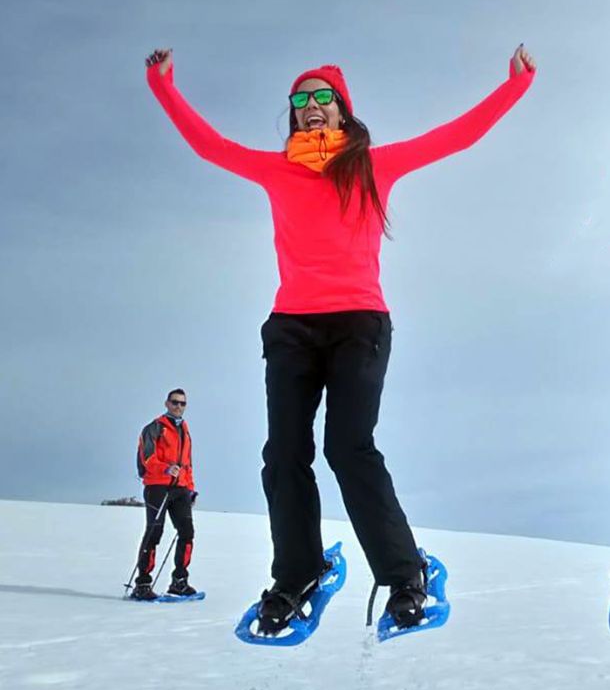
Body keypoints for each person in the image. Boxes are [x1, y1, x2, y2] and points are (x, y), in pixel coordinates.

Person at [145, 44, 536, 632]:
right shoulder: (277, 168)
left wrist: (517, 84)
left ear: (343, 110)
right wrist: (164, 85)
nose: (309, 107)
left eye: (321, 97)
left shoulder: (372, 165)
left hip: (359, 322)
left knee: (348, 448)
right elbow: (210, 146)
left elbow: (457, 136)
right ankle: (298, 575)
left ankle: (408, 576)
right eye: (300, 100)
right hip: (291, 327)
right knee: (282, 455)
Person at [132, 388, 198, 600]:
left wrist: (190, 488)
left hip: (180, 489)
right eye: (175, 402)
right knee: (154, 532)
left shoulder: (185, 431)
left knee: (187, 532)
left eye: (182, 403)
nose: (179, 406)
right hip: (157, 487)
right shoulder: (154, 428)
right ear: (166, 403)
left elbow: (188, 464)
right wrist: (166, 468)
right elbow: (147, 458)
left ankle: (179, 581)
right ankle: (142, 584)